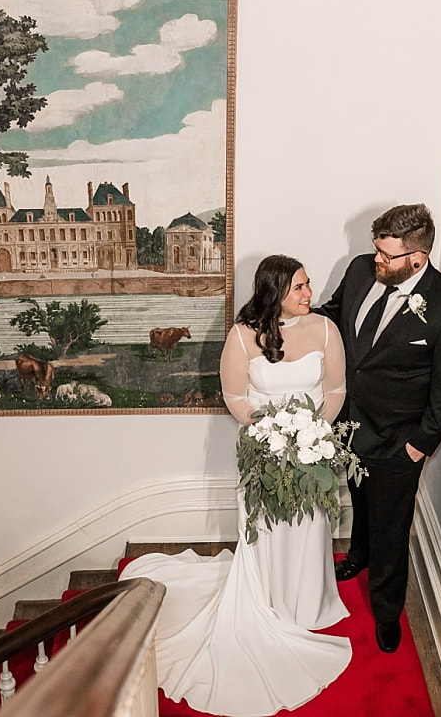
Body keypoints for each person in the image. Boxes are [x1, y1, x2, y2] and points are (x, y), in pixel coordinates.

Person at [120, 255, 351, 717]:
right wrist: (270, 433)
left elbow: (336, 392)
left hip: (310, 448)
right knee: (267, 529)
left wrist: (311, 435)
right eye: (300, 288)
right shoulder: (242, 335)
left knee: (308, 528)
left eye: (308, 285)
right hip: (262, 450)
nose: (310, 294)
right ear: (274, 293)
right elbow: (236, 396)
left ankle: (309, 604)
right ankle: (264, 602)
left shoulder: (326, 330)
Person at [316, 203, 441, 654]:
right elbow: (333, 316)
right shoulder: (362, 270)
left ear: (417, 259)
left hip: (395, 442)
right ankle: (358, 555)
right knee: (359, 499)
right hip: (349, 423)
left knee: (392, 527)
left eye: (387, 256)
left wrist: (416, 448)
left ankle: (387, 611)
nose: (376, 262)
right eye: (376, 252)